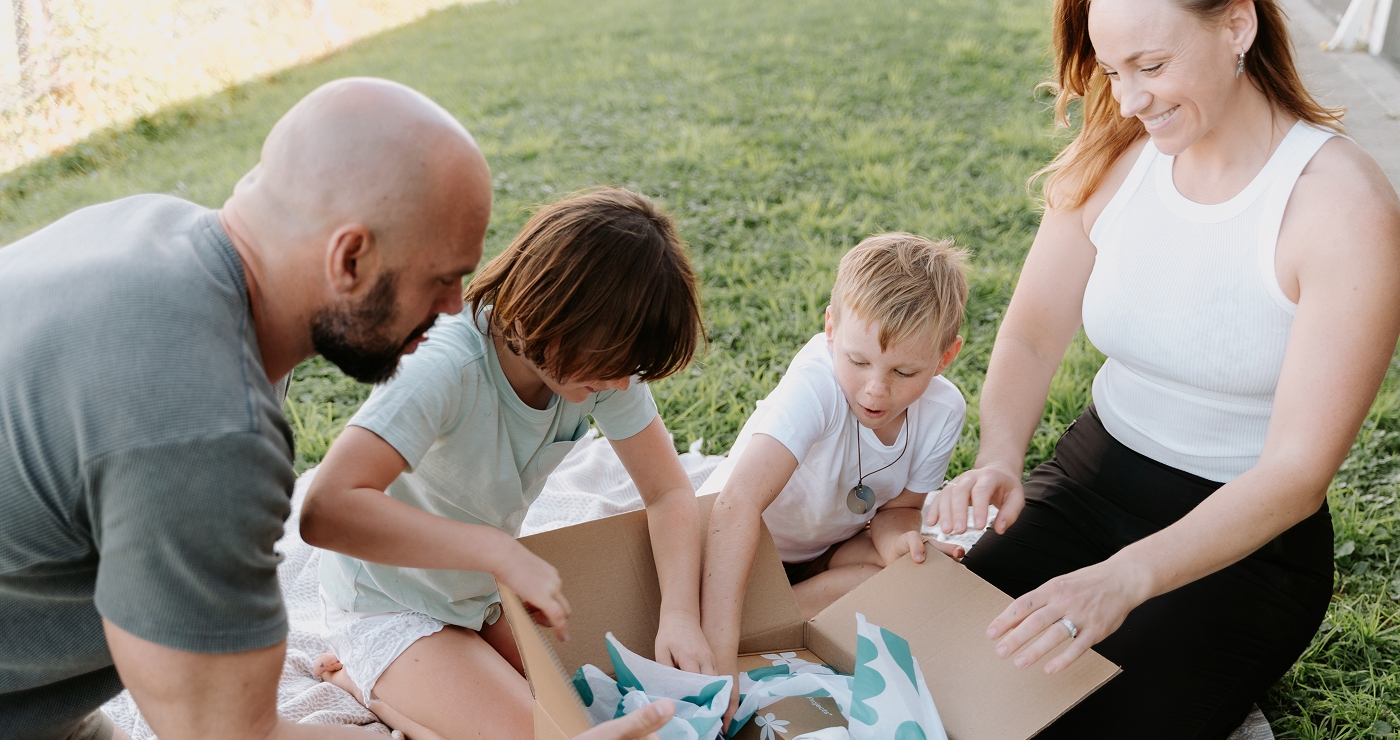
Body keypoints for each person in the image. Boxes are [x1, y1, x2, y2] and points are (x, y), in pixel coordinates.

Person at [0, 77, 668, 740]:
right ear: (349, 257)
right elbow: (232, 734)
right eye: (440, 280)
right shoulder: (206, 425)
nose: (455, 307)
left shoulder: (152, 230)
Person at [924, 0, 1400, 737]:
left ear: (1236, 26)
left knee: (1077, 722)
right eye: (1113, 70)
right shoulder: (1115, 154)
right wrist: (1001, 458)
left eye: (1151, 66)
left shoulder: (1342, 205)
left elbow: (1297, 474)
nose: (1129, 98)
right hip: (1089, 482)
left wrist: (1123, 582)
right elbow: (1030, 336)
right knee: (925, 668)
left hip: (1245, 541)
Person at [299, 187, 715, 740]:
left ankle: (377, 688)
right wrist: (496, 553)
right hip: (385, 602)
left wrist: (681, 615)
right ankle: (370, 678)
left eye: (631, 367)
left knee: (584, 703)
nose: (621, 383)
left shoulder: (597, 367)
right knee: (547, 735)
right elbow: (325, 510)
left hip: (475, 593)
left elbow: (668, 493)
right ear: (557, 317)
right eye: (615, 364)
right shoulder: (445, 367)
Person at [699, 232, 970, 729]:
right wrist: (718, 650)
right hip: (734, 553)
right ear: (830, 328)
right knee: (870, 595)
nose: (876, 388)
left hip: (820, 552)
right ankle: (734, 634)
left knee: (894, 572)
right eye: (859, 360)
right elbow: (737, 503)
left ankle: (769, 626)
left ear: (944, 358)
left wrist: (902, 548)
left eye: (905, 371)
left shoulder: (943, 410)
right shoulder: (817, 384)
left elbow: (898, 512)